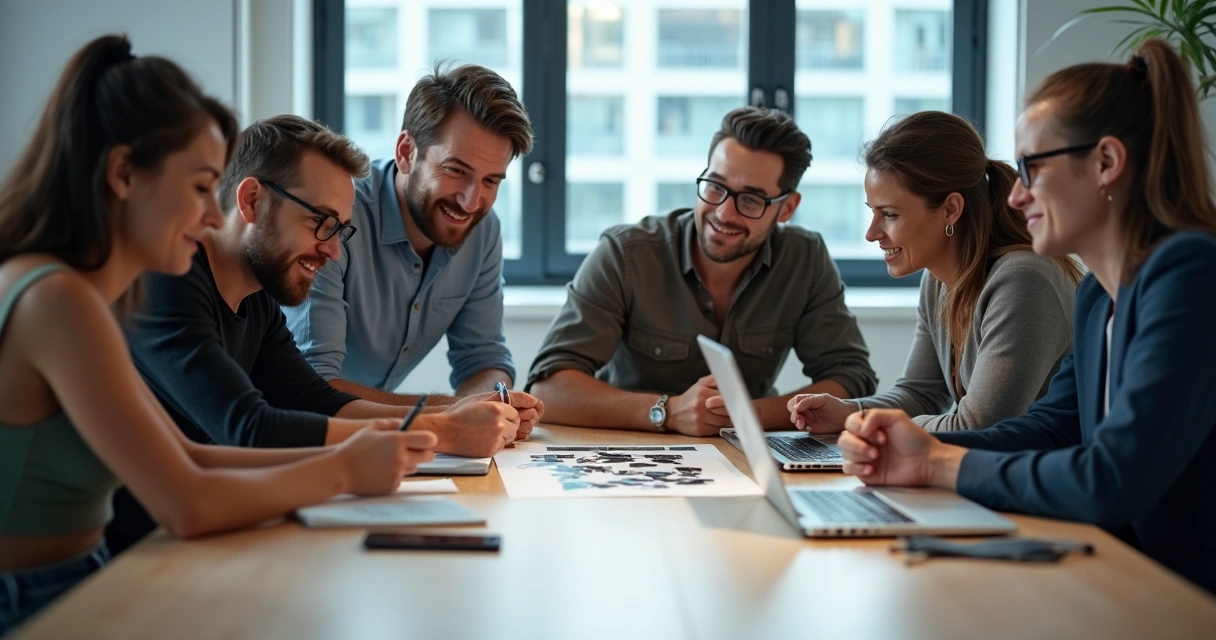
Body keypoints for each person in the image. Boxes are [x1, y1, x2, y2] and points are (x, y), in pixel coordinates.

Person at [0, 35, 437, 633]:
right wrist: (345, 468)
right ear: (124, 174)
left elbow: (189, 455)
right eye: (201, 187)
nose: (213, 216)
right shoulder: (61, 300)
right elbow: (186, 502)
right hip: (36, 599)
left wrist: (363, 448)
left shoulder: (83, 295)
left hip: (79, 575)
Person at [836, 40, 1216, 595]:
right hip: (1126, 575)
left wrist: (938, 465)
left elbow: (1110, 478)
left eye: (1030, 169)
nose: (1015, 196)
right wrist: (918, 449)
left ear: (1106, 163)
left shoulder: (1191, 276)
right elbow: (1053, 427)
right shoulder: (1098, 299)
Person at [109, 115, 535, 553]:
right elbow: (249, 427)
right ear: (252, 200)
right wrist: (440, 431)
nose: (333, 251)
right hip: (128, 554)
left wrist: (440, 423)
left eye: (341, 230)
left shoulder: (255, 299)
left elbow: (317, 399)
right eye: (322, 223)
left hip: (193, 539)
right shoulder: (164, 279)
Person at [527, 107, 877, 435]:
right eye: (715, 186)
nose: (724, 213)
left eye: (751, 200)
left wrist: (745, 414)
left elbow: (851, 377)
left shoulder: (805, 259)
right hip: (632, 452)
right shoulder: (626, 254)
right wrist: (668, 410)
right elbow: (549, 389)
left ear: (787, 208)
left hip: (746, 457)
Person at [787, 112, 1083, 433]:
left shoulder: (1023, 281)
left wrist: (875, 425)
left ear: (950, 209)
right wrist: (849, 413)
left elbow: (976, 427)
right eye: (873, 212)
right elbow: (921, 394)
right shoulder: (938, 281)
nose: (872, 233)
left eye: (889, 214)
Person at [284, 63, 538, 410]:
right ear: (406, 152)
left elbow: (483, 359)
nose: (471, 201)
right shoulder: (338, 218)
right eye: (455, 170)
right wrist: (454, 414)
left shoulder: (483, 230)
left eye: (491, 180)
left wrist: (492, 405)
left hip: (371, 439)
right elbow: (315, 387)